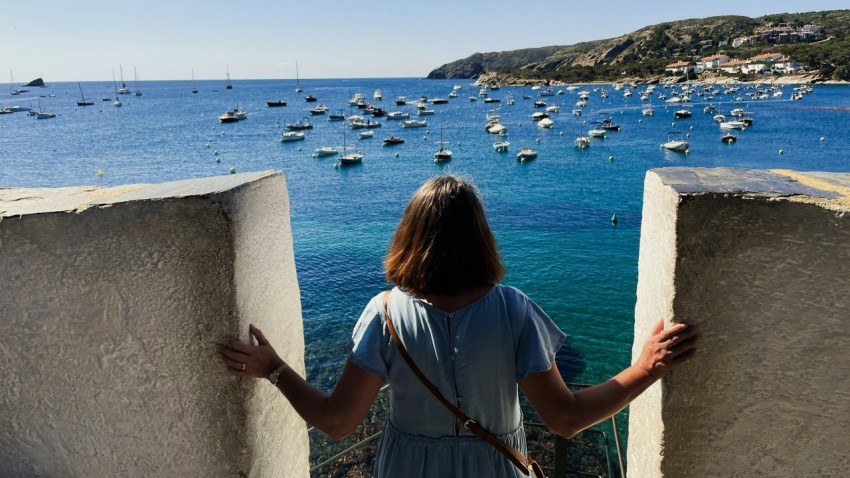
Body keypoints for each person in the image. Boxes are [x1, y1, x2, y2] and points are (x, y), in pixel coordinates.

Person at [217, 175, 697, 477]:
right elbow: (565, 419)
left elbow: (337, 423)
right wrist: (644, 369)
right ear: (480, 239)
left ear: (408, 236)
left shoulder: (383, 312)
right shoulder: (513, 310)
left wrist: (275, 368)